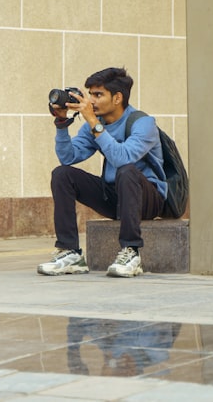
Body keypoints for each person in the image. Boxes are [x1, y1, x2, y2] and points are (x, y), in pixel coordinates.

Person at [39, 67, 166, 278]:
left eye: (98, 95)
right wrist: (62, 123)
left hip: (148, 198)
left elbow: (122, 158)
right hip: (114, 196)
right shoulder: (96, 123)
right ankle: (70, 253)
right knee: (62, 174)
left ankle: (131, 252)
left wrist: (94, 124)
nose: (91, 101)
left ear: (117, 98)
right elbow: (68, 157)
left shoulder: (143, 123)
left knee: (126, 171)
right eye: (90, 95)